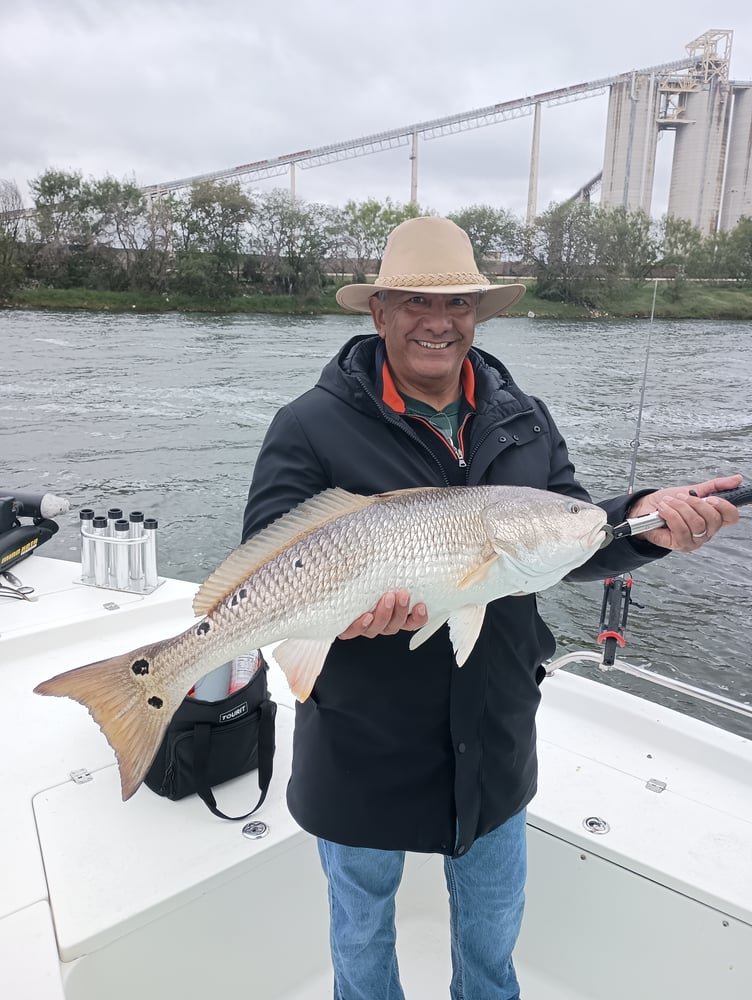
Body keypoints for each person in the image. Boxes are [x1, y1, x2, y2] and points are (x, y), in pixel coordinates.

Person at [242, 216, 741, 999]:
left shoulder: (526, 417)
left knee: (491, 941)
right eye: (414, 301)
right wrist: (341, 620)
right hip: (361, 743)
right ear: (378, 312)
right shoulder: (310, 425)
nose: (438, 322)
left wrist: (647, 520)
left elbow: (576, 535)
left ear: (479, 314)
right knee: (362, 936)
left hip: (497, 734)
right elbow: (268, 562)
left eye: (459, 305)